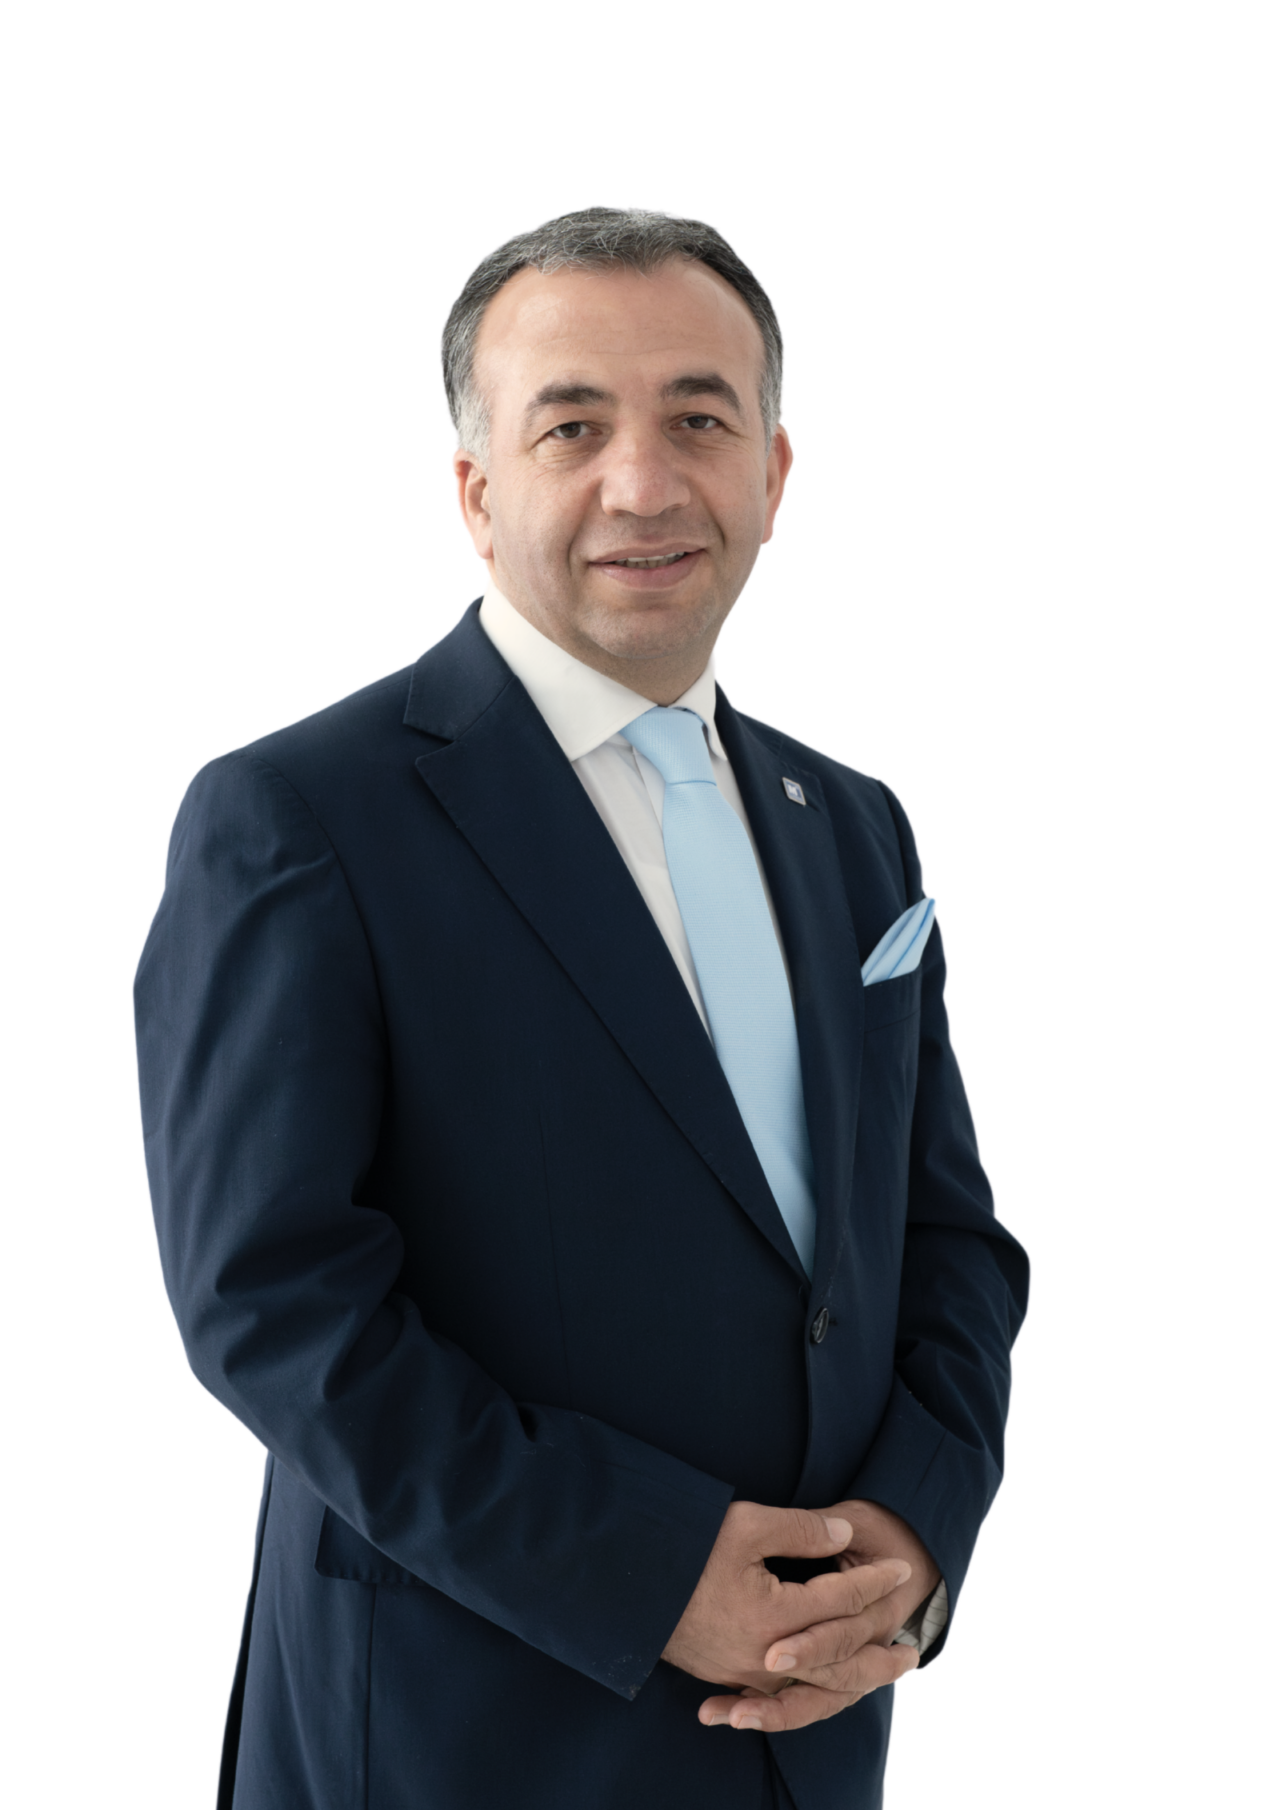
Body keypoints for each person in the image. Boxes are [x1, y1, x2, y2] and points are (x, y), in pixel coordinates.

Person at [132, 203, 1031, 1809]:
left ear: (775, 473)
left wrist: (918, 1526)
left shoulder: (858, 821)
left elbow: (949, 1236)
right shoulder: (297, 814)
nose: (644, 482)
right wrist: (650, 1569)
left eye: (700, 419)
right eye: (572, 426)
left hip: (823, 1733)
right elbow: (270, 1298)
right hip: (463, 1732)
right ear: (475, 489)